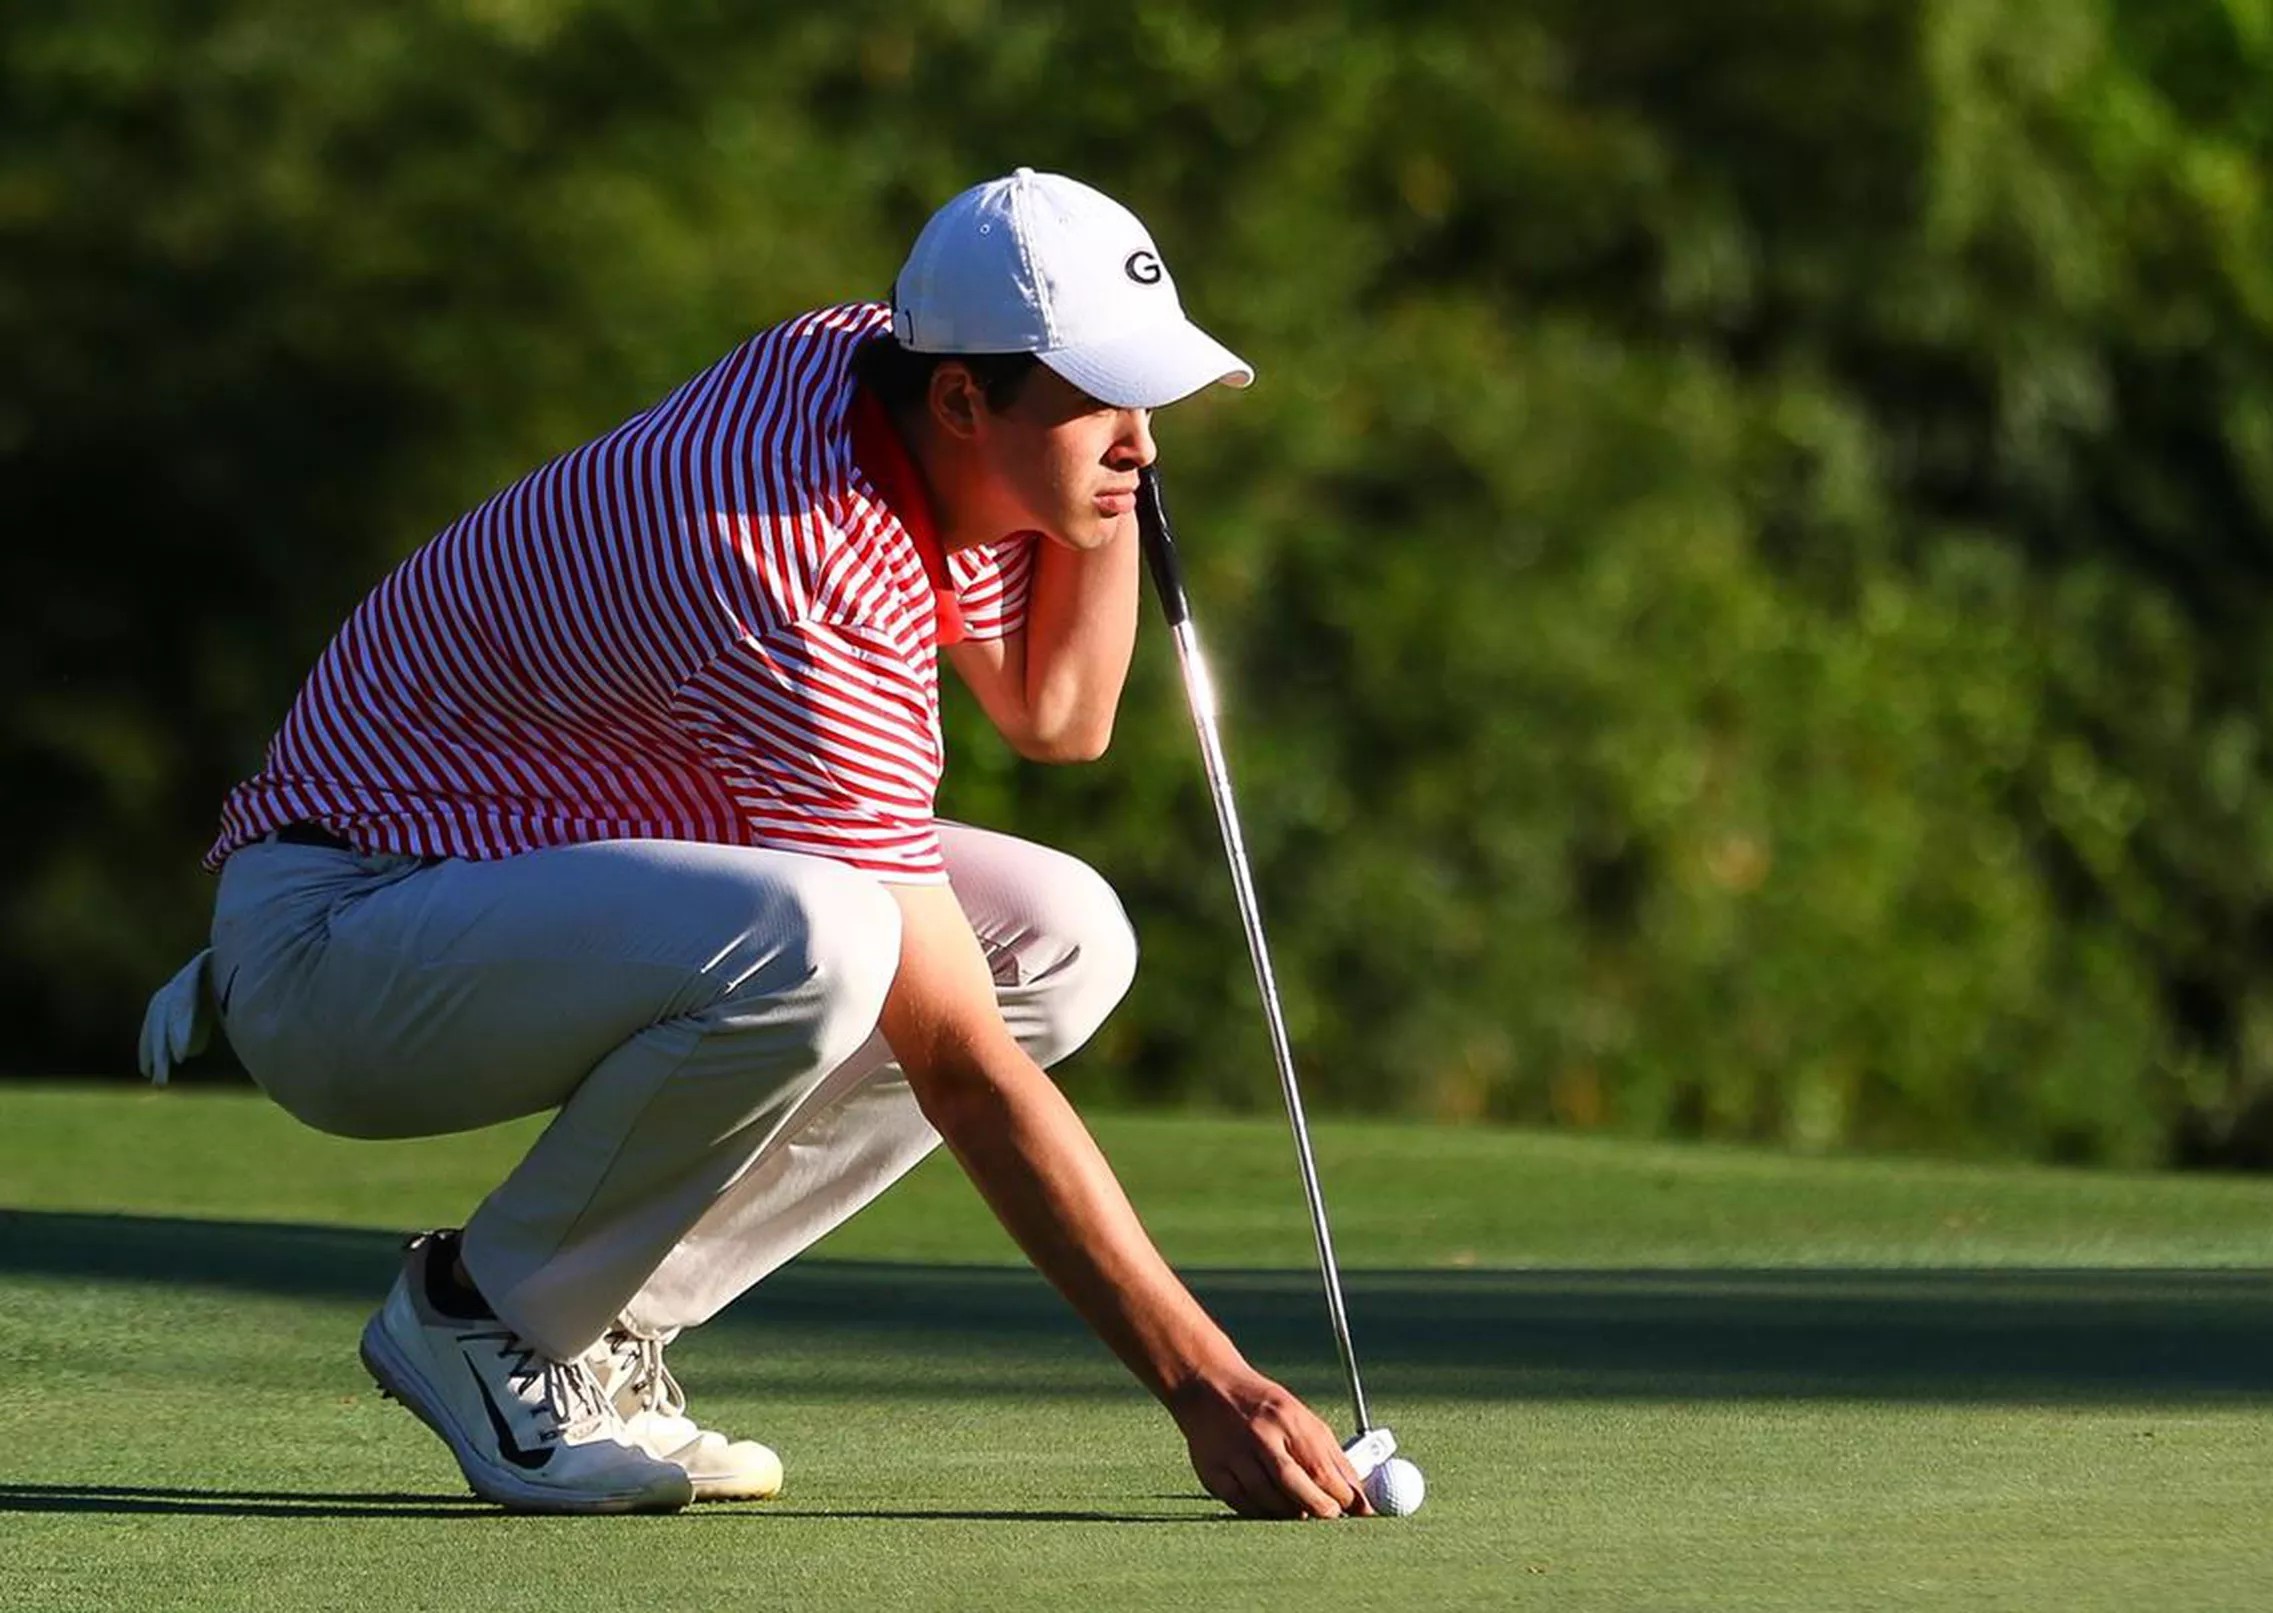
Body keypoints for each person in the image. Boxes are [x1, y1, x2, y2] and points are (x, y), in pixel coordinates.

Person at [138, 167, 1375, 1519]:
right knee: (828, 937)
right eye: (1100, 400)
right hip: (347, 939)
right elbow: (960, 1070)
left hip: (530, 885)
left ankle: (597, 1324)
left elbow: (1060, 713)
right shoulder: (795, 572)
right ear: (963, 400)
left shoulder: (893, 382)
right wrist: (1205, 1379)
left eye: (1152, 397)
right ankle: (477, 1315)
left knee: (1062, 932)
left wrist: (1115, 459)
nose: (1142, 439)